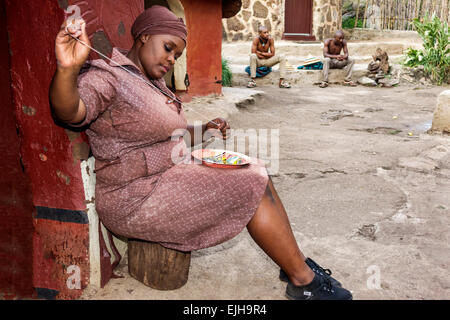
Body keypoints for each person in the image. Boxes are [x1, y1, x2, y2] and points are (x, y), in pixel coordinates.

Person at [49, 5, 352, 300]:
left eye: (177, 54)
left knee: (255, 168)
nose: (171, 59)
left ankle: (293, 263)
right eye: (168, 48)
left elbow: (169, 134)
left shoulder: (153, 83)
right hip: (134, 196)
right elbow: (72, 112)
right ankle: (303, 280)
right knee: (251, 181)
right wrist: (67, 69)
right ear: (143, 36)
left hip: (164, 176)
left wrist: (205, 127)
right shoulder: (109, 76)